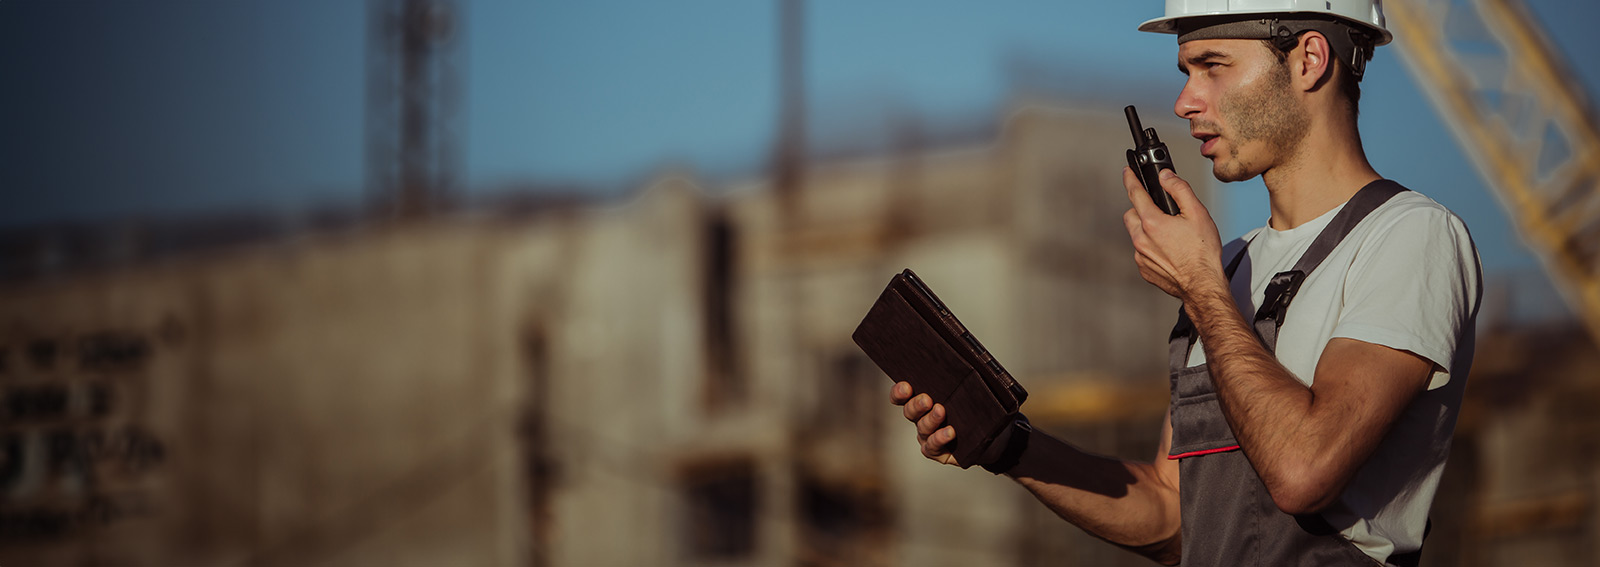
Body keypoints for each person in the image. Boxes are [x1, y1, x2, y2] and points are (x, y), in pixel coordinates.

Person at [889, 2, 1482, 565]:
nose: (1185, 101)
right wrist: (1005, 445)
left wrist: (1200, 290)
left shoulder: (1410, 238)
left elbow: (1304, 470)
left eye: (1213, 66)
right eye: (1185, 71)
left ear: (1309, 59)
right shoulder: (1225, 266)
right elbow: (1172, 515)